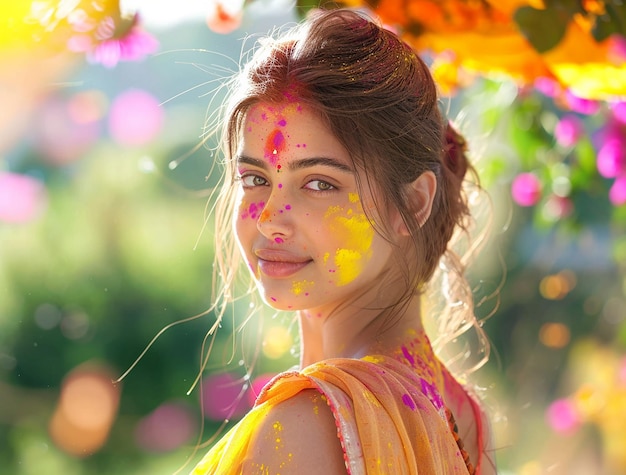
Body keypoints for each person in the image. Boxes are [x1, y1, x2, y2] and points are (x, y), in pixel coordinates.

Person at [191, 7, 495, 475]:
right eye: (254, 177)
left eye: (318, 184)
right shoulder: (462, 413)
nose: (271, 217)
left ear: (412, 204)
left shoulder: (301, 427)